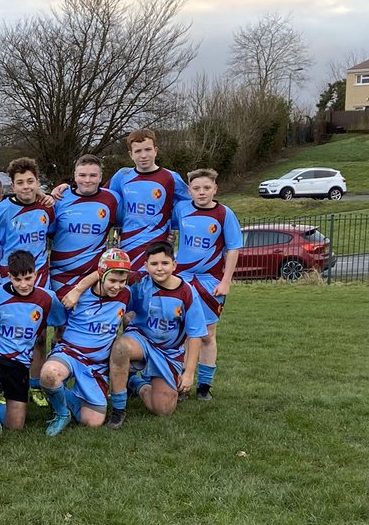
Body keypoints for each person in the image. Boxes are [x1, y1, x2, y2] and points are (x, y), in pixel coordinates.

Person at [0, 250, 67, 447]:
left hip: (20, 365)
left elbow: (61, 323)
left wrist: (59, 344)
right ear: (9, 276)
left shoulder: (48, 298)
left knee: (15, 427)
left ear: (35, 274)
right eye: (17, 279)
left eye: (28, 278)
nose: (23, 284)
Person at [40, 249, 135, 436]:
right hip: (70, 354)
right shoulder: (76, 295)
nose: (116, 286)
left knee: (92, 422)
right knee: (49, 374)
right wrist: (78, 290)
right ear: (101, 275)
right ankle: (61, 413)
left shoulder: (127, 295)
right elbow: (55, 315)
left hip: (97, 366)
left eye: (122, 281)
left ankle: (65, 397)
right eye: (112, 280)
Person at [171, 168, 242, 402]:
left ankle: (204, 385)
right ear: (189, 191)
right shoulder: (181, 208)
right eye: (196, 188)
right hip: (182, 279)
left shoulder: (224, 214)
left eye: (206, 188)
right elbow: (166, 227)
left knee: (207, 335)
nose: (201, 192)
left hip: (210, 282)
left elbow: (233, 248)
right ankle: (181, 383)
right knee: (181, 332)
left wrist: (226, 281)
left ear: (215, 189)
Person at [118, 241, 207, 417]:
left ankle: (136, 383)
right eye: (154, 264)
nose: (159, 268)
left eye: (165, 263)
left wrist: (189, 373)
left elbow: (196, 335)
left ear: (174, 265)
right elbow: (107, 276)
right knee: (120, 348)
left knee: (163, 409)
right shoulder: (139, 283)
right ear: (146, 266)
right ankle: (118, 406)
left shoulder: (187, 292)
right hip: (141, 340)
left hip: (168, 352)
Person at [102, 129, 189, 269]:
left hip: (159, 245)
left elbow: (192, 205)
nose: (143, 155)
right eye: (138, 151)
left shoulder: (170, 177)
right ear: (131, 154)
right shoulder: (122, 176)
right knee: (130, 281)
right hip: (128, 246)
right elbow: (100, 199)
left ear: (155, 151)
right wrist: (68, 189)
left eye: (148, 149)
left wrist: (172, 224)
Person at [49, 154, 119, 294]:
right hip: (59, 276)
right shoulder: (59, 198)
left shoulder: (112, 199)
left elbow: (130, 224)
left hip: (94, 277)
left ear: (100, 177)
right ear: (75, 176)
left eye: (93, 175)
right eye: (82, 175)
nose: (87, 180)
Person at [0, 158, 55, 288]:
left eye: (30, 181)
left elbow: (52, 233)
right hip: (11, 277)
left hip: (40, 277)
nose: (26, 187)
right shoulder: (3, 209)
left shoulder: (47, 207)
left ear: (38, 182)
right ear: (13, 186)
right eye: (20, 182)